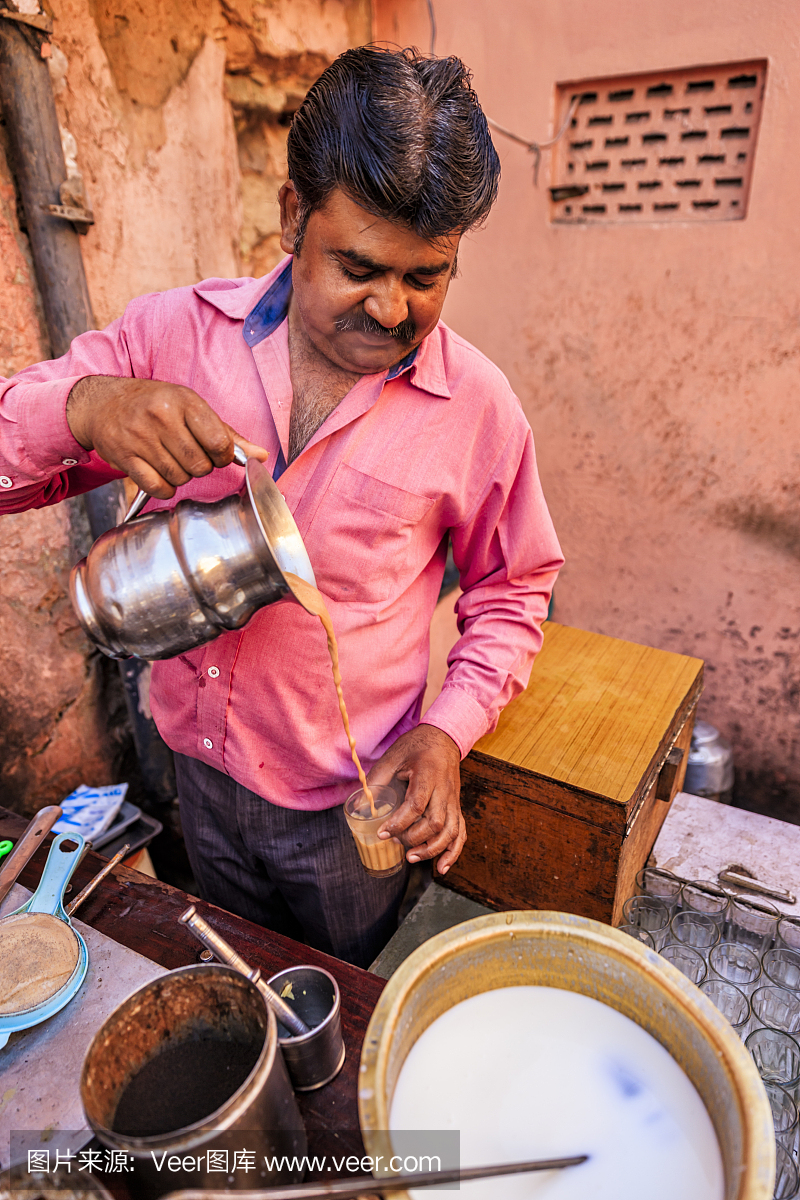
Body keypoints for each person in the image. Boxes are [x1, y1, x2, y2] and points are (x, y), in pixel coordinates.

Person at [0, 47, 563, 967]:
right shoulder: (174, 336)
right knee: (236, 975)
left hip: (352, 810)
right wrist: (87, 407)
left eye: (427, 277)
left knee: (348, 992)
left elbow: (514, 589)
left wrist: (446, 731)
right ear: (293, 214)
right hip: (197, 775)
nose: (392, 310)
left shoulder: (477, 410)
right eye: (360, 267)